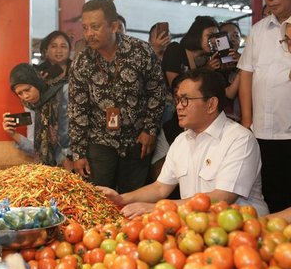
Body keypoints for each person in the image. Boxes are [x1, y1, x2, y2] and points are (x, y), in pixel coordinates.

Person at [99, 68, 269, 218]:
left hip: (242, 232)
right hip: (195, 228)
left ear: (211, 104)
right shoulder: (182, 140)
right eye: (178, 100)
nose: (179, 107)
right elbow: (159, 188)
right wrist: (121, 198)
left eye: (185, 100)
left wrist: (160, 209)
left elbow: (222, 197)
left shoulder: (240, 139)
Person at [68, 0, 166, 193]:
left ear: (113, 26)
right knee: (97, 200)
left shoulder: (140, 51)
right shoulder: (82, 62)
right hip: (99, 142)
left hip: (137, 140)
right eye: (85, 28)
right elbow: (77, 108)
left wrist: (150, 129)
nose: (89, 34)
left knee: (134, 199)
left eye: (95, 27)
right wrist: (78, 152)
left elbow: (157, 90)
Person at [238, 0, 291, 213]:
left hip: (289, 130)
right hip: (261, 133)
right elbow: (246, 75)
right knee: (271, 196)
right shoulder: (258, 31)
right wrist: (247, 123)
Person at [2, 63, 73, 170]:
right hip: (54, 168)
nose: (25, 96)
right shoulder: (31, 106)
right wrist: (13, 134)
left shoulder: (64, 91)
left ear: (36, 82)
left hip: (80, 158)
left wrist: (72, 158)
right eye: (19, 93)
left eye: (27, 89)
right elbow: (35, 148)